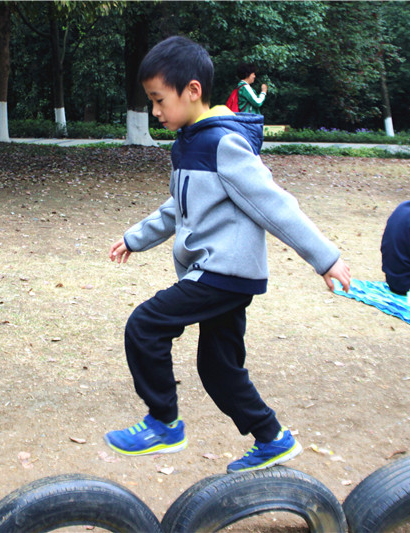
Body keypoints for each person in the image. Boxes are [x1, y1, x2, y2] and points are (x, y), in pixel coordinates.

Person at [103, 36, 352, 474]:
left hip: (222, 272)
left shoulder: (222, 143)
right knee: (218, 369)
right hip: (217, 274)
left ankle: (163, 424)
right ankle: (272, 438)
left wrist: (325, 258)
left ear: (193, 91)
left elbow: (273, 203)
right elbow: (176, 207)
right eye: (151, 101)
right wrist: (136, 237)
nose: (155, 111)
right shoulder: (188, 141)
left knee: (145, 325)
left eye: (159, 100)